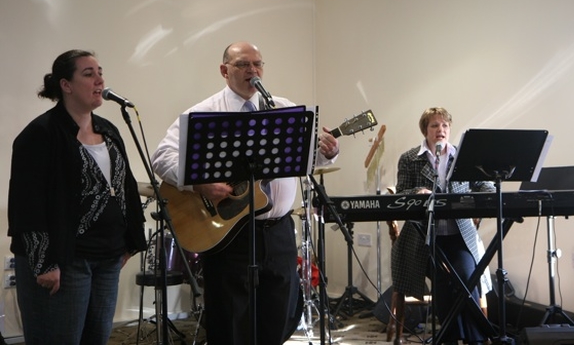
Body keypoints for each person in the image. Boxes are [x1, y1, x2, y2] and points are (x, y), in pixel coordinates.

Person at [151, 41, 340, 345]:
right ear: (224, 70)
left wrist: (328, 152)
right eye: (243, 64)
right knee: (230, 320)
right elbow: (162, 157)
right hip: (229, 235)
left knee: (279, 314)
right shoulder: (205, 112)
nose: (253, 70)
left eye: (258, 64)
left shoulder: (282, 108)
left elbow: (304, 160)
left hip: (278, 232)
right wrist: (197, 183)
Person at [7, 49, 147, 344]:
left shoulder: (108, 130)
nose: (99, 80)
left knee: (96, 337)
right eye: (88, 74)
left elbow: (126, 187)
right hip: (65, 259)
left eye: (100, 73)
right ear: (65, 85)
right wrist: (44, 262)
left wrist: (131, 241)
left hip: (108, 257)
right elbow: (26, 204)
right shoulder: (40, 134)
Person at [391, 107, 493, 345]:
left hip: (460, 236)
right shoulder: (409, 158)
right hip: (424, 238)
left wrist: (484, 198)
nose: (441, 130)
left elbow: (485, 186)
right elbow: (400, 194)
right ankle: (452, 338)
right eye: (435, 125)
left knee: (465, 276)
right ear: (425, 131)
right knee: (442, 280)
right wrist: (418, 192)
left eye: (445, 125)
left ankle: (473, 338)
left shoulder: (464, 156)